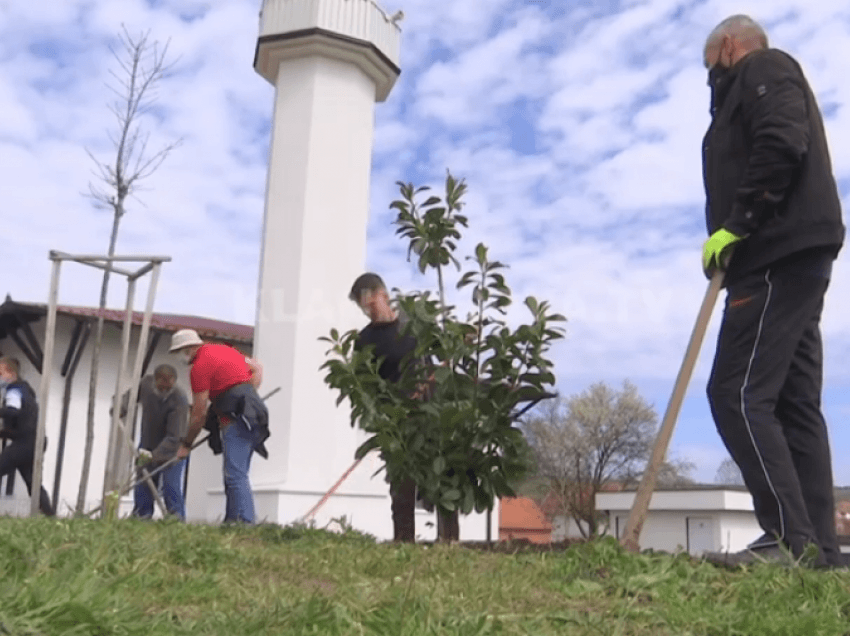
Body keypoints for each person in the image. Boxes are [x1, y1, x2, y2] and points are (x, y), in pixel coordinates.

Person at [701, 15, 845, 567]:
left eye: (711, 66)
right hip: (797, 256)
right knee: (793, 403)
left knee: (736, 392)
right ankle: (821, 554)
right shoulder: (760, 79)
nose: (710, 79)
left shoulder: (764, 67)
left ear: (730, 48)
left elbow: (782, 140)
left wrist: (739, 222)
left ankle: (788, 540)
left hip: (773, 253)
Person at [349, 273, 460, 542]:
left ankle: (450, 544)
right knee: (401, 485)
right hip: (396, 422)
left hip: (431, 414)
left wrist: (459, 342)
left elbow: (446, 355)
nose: (366, 311)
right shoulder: (364, 341)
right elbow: (363, 386)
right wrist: (383, 415)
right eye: (361, 307)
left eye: (369, 303)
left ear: (382, 295)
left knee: (441, 476)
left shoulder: (416, 322)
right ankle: (404, 543)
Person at [170, 329, 268, 524]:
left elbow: (199, 414)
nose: (182, 357)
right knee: (234, 472)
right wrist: (247, 395)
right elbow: (257, 369)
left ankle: (245, 523)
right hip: (254, 414)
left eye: (181, 352)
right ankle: (232, 520)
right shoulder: (225, 350)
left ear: (187, 349)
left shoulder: (199, 367)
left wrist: (186, 444)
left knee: (235, 475)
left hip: (237, 420)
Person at [125, 364, 189, 520]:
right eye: (162, 387)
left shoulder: (179, 399)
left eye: (169, 388)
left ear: (174, 382)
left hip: (174, 448)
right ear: (155, 381)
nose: (165, 392)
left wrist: (154, 456)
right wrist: (120, 406)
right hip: (148, 442)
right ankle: (141, 515)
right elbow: (130, 396)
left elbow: (174, 437)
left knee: (170, 484)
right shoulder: (145, 384)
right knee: (143, 479)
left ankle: (175, 518)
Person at [0, 356, 54, 516]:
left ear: (11, 373)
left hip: (25, 443)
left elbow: (13, 412)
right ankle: (51, 518)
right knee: (33, 484)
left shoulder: (14, 390)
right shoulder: (25, 390)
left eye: (0, 373)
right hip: (35, 441)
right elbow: (20, 422)